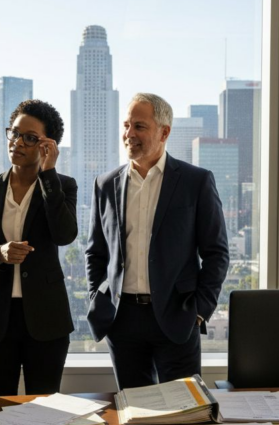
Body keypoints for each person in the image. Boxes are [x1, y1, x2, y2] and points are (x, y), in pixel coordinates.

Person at [85, 92, 230, 390]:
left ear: (164, 132)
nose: (129, 134)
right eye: (126, 125)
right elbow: (95, 252)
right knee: (135, 410)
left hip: (177, 318)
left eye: (139, 126)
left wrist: (199, 312)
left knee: (184, 408)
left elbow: (217, 253)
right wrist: (96, 297)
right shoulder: (105, 184)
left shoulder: (195, 181)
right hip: (122, 320)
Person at [0, 99, 77, 396]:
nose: (17, 142)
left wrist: (48, 174)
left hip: (47, 319)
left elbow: (64, 235)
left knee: (45, 410)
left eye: (30, 137)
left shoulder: (63, 185)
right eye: (14, 133)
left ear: (47, 145)